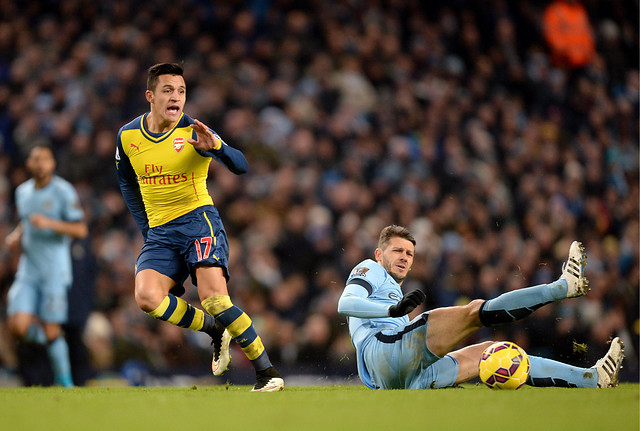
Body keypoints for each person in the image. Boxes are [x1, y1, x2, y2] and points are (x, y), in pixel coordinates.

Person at [115, 62, 284, 391]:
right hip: (160, 233)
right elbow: (127, 185)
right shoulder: (128, 136)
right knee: (147, 297)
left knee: (216, 299)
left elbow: (242, 165)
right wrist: (147, 231)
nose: (176, 97)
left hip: (198, 222)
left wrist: (217, 147)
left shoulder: (194, 130)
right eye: (167, 90)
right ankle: (214, 330)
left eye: (181, 91)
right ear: (150, 96)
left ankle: (267, 372)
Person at [337, 224, 625, 390]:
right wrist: (392, 312)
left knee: (493, 353)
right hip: (383, 352)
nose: (404, 257)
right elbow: (345, 303)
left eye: (410, 253)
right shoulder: (370, 269)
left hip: (402, 377)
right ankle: (563, 287)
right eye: (397, 250)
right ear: (379, 254)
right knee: (474, 311)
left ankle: (592, 378)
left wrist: (396, 312)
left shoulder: (393, 290)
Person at [5, 144, 89, 388]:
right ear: (29, 164)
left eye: (44, 159)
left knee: (52, 329)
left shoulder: (63, 191)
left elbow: (80, 229)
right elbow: (26, 221)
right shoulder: (22, 192)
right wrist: (17, 235)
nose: (40, 163)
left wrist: (51, 224)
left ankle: (65, 382)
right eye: (35, 159)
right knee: (18, 326)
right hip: (28, 269)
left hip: (54, 270)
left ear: (52, 164)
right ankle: (53, 342)